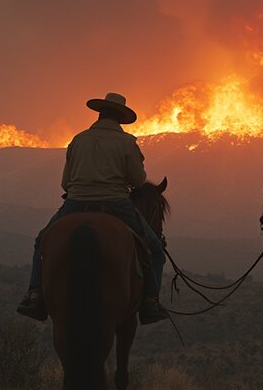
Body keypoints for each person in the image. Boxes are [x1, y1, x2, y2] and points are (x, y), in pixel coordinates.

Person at [17, 92, 168, 325]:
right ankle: (150, 302)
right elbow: (138, 182)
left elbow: (65, 183)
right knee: (154, 249)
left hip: (76, 202)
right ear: (120, 118)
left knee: (42, 240)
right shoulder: (127, 143)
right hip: (116, 203)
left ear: (99, 114)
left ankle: (35, 294)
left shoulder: (78, 140)